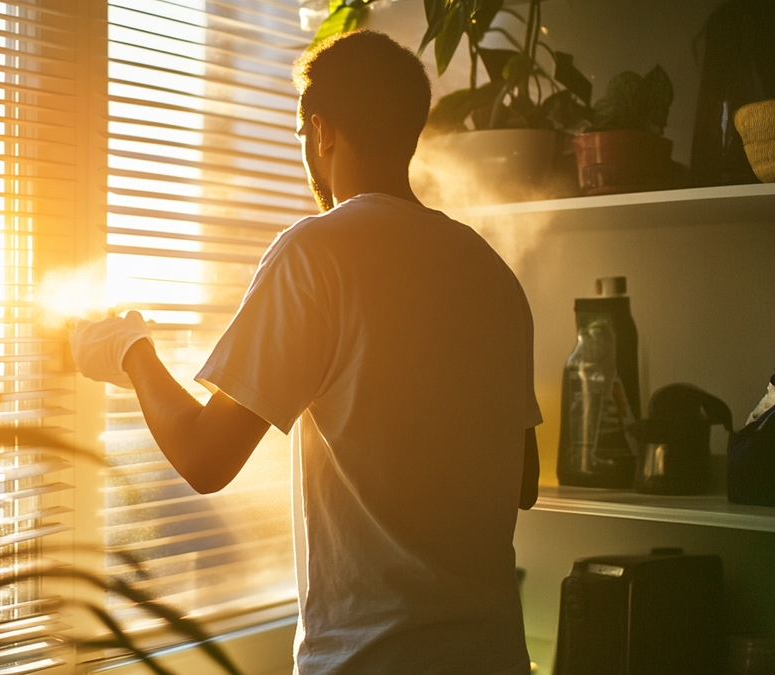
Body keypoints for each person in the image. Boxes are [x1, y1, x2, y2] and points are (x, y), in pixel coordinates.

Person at [70, 30, 541, 675]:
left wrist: (129, 349)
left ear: (320, 131)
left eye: (299, 136)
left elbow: (206, 458)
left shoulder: (316, 252)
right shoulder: (490, 272)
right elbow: (521, 482)